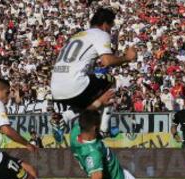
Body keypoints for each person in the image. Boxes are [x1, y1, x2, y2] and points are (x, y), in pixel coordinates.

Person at [51, 7, 137, 137]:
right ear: (104, 24)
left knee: (94, 100)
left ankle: (64, 118)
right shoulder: (101, 34)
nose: (110, 30)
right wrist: (127, 58)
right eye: (110, 27)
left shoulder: (77, 35)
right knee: (111, 82)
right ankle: (104, 129)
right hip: (74, 85)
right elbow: (107, 61)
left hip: (56, 88)